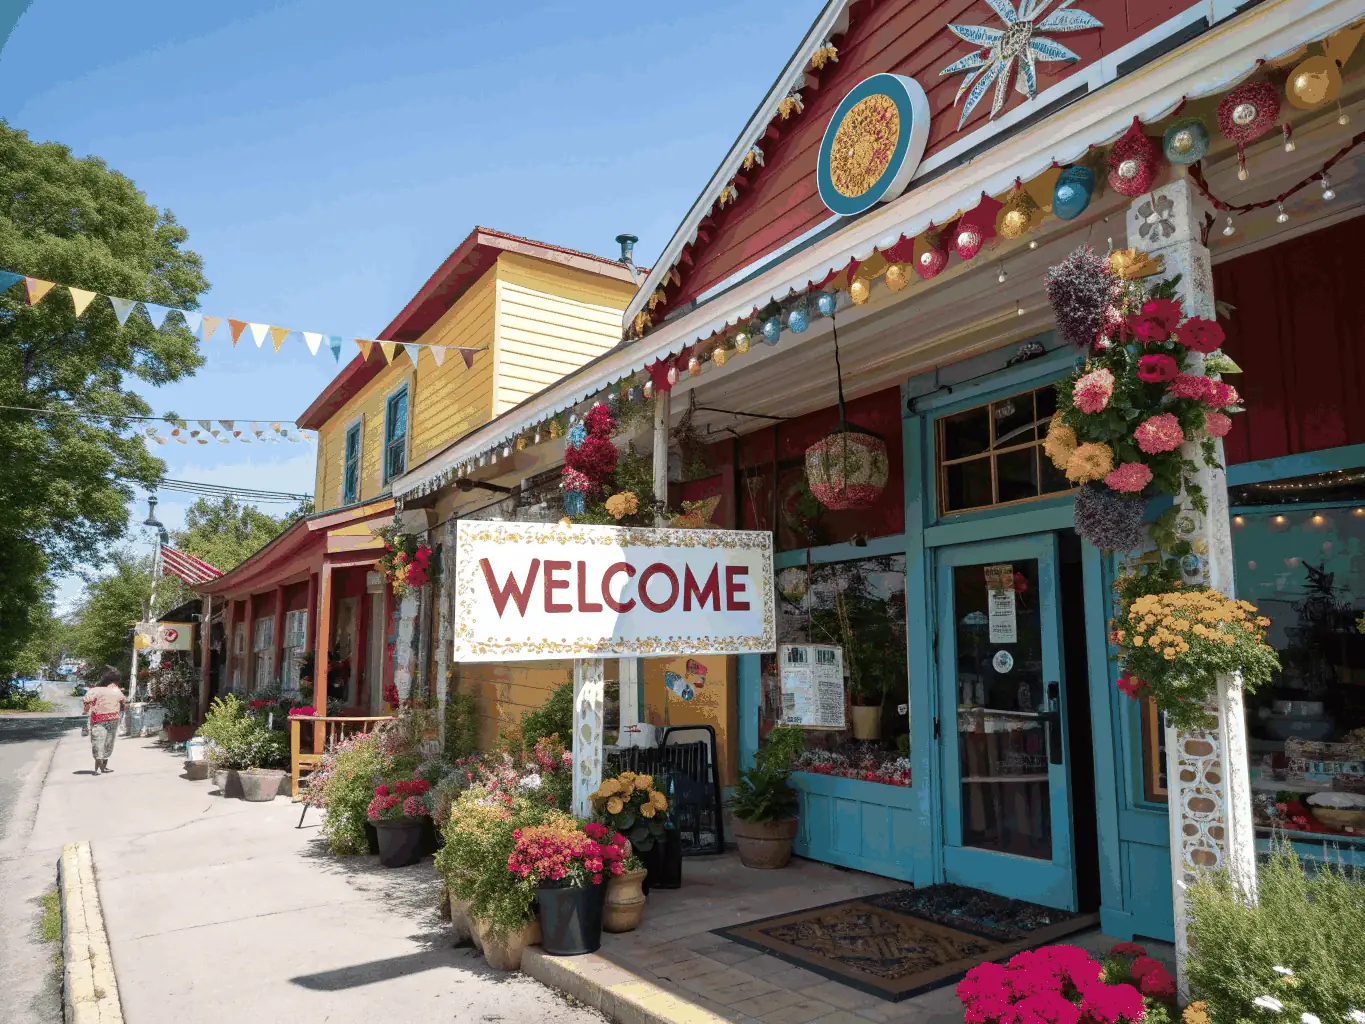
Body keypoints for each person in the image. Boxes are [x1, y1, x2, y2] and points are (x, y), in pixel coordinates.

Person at [82, 666, 127, 774]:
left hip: (98, 720)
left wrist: (86, 710)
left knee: (98, 742)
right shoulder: (117, 692)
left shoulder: (95, 691)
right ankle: (103, 767)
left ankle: (98, 768)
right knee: (109, 742)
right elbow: (122, 705)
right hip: (113, 719)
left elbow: (86, 704)